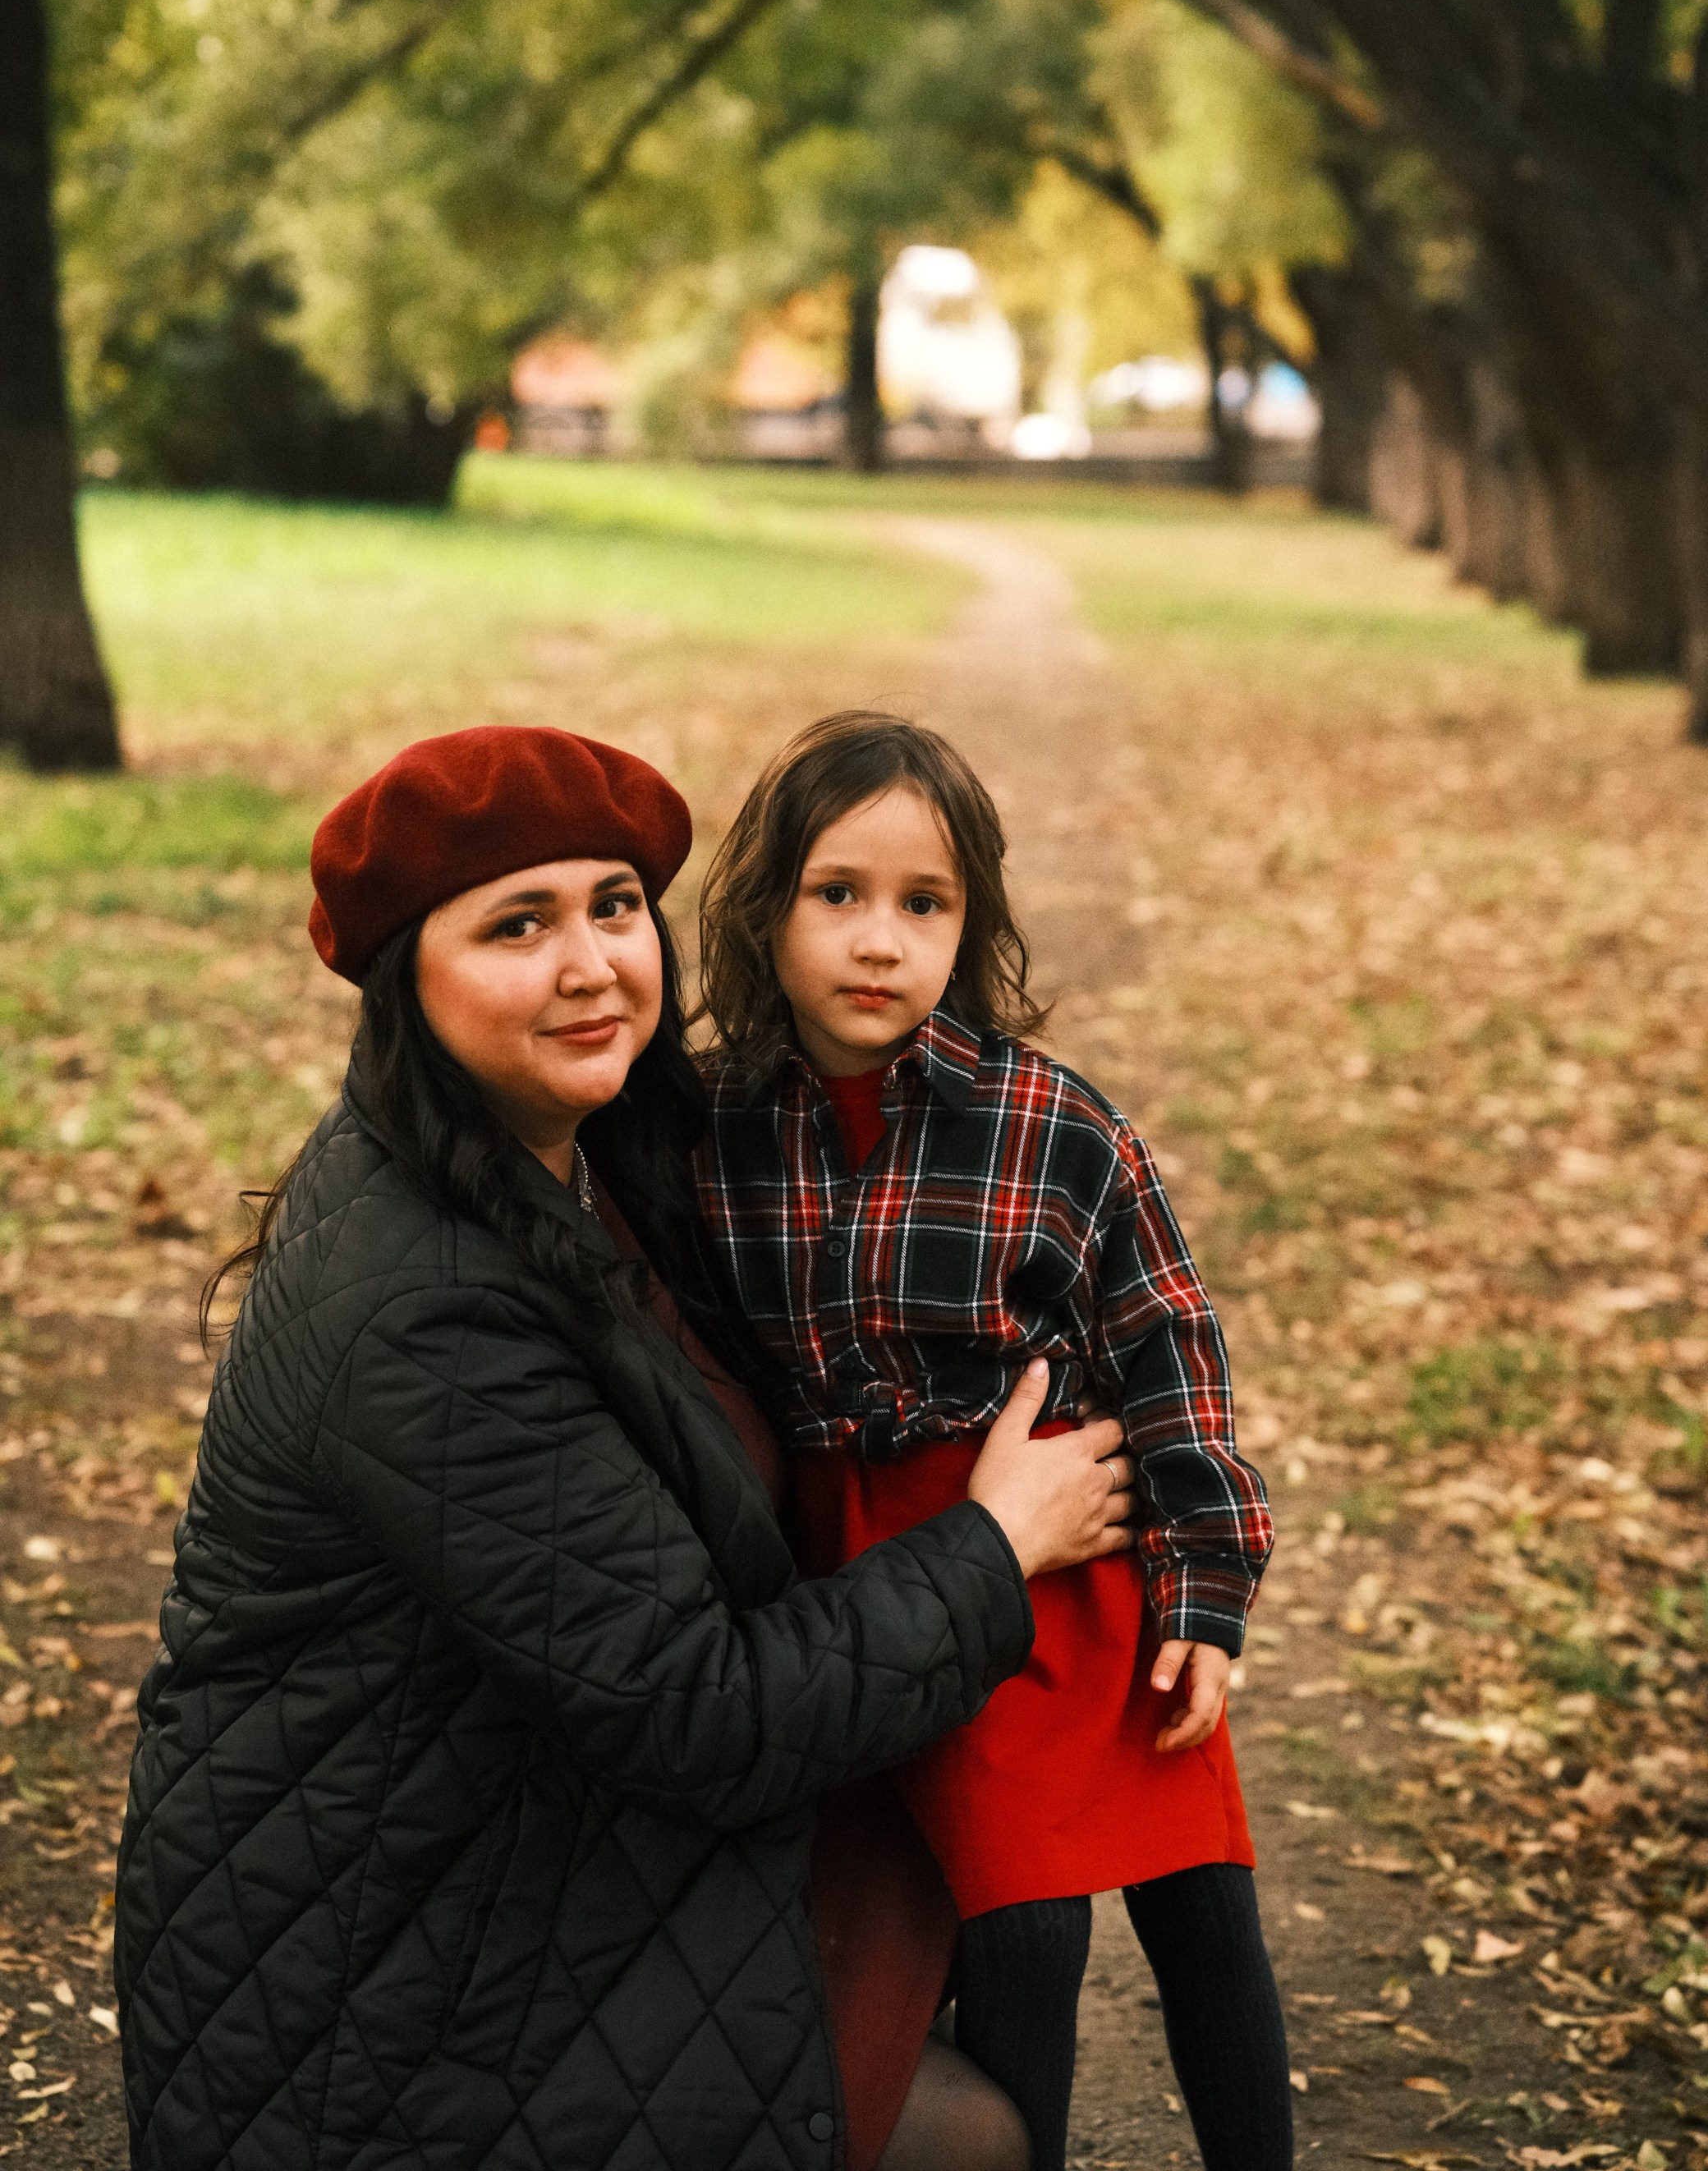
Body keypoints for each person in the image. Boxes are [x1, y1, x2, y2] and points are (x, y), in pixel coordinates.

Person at [114, 723, 1136, 2171]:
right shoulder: (421, 1307)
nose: (591, 963)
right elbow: (697, 1711)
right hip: (389, 1992)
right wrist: (997, 1543)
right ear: (408, 977)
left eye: (612, 906)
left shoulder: (590, 1161)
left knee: (988, 1861)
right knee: (973, 2138)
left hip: (530, 1833)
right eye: (517, 926)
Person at [695, 712, 1294, 2171]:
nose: (879, 942)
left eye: (926, 904)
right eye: (837, 894)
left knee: (1205, 1904)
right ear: (764, 907)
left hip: (1085, 1567)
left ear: (972, 926)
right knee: (1020, 1924)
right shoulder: (709, 1128)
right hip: (915, 1575)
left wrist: (1207, 1586)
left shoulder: (1051, 1124)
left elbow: (1170, 1343)